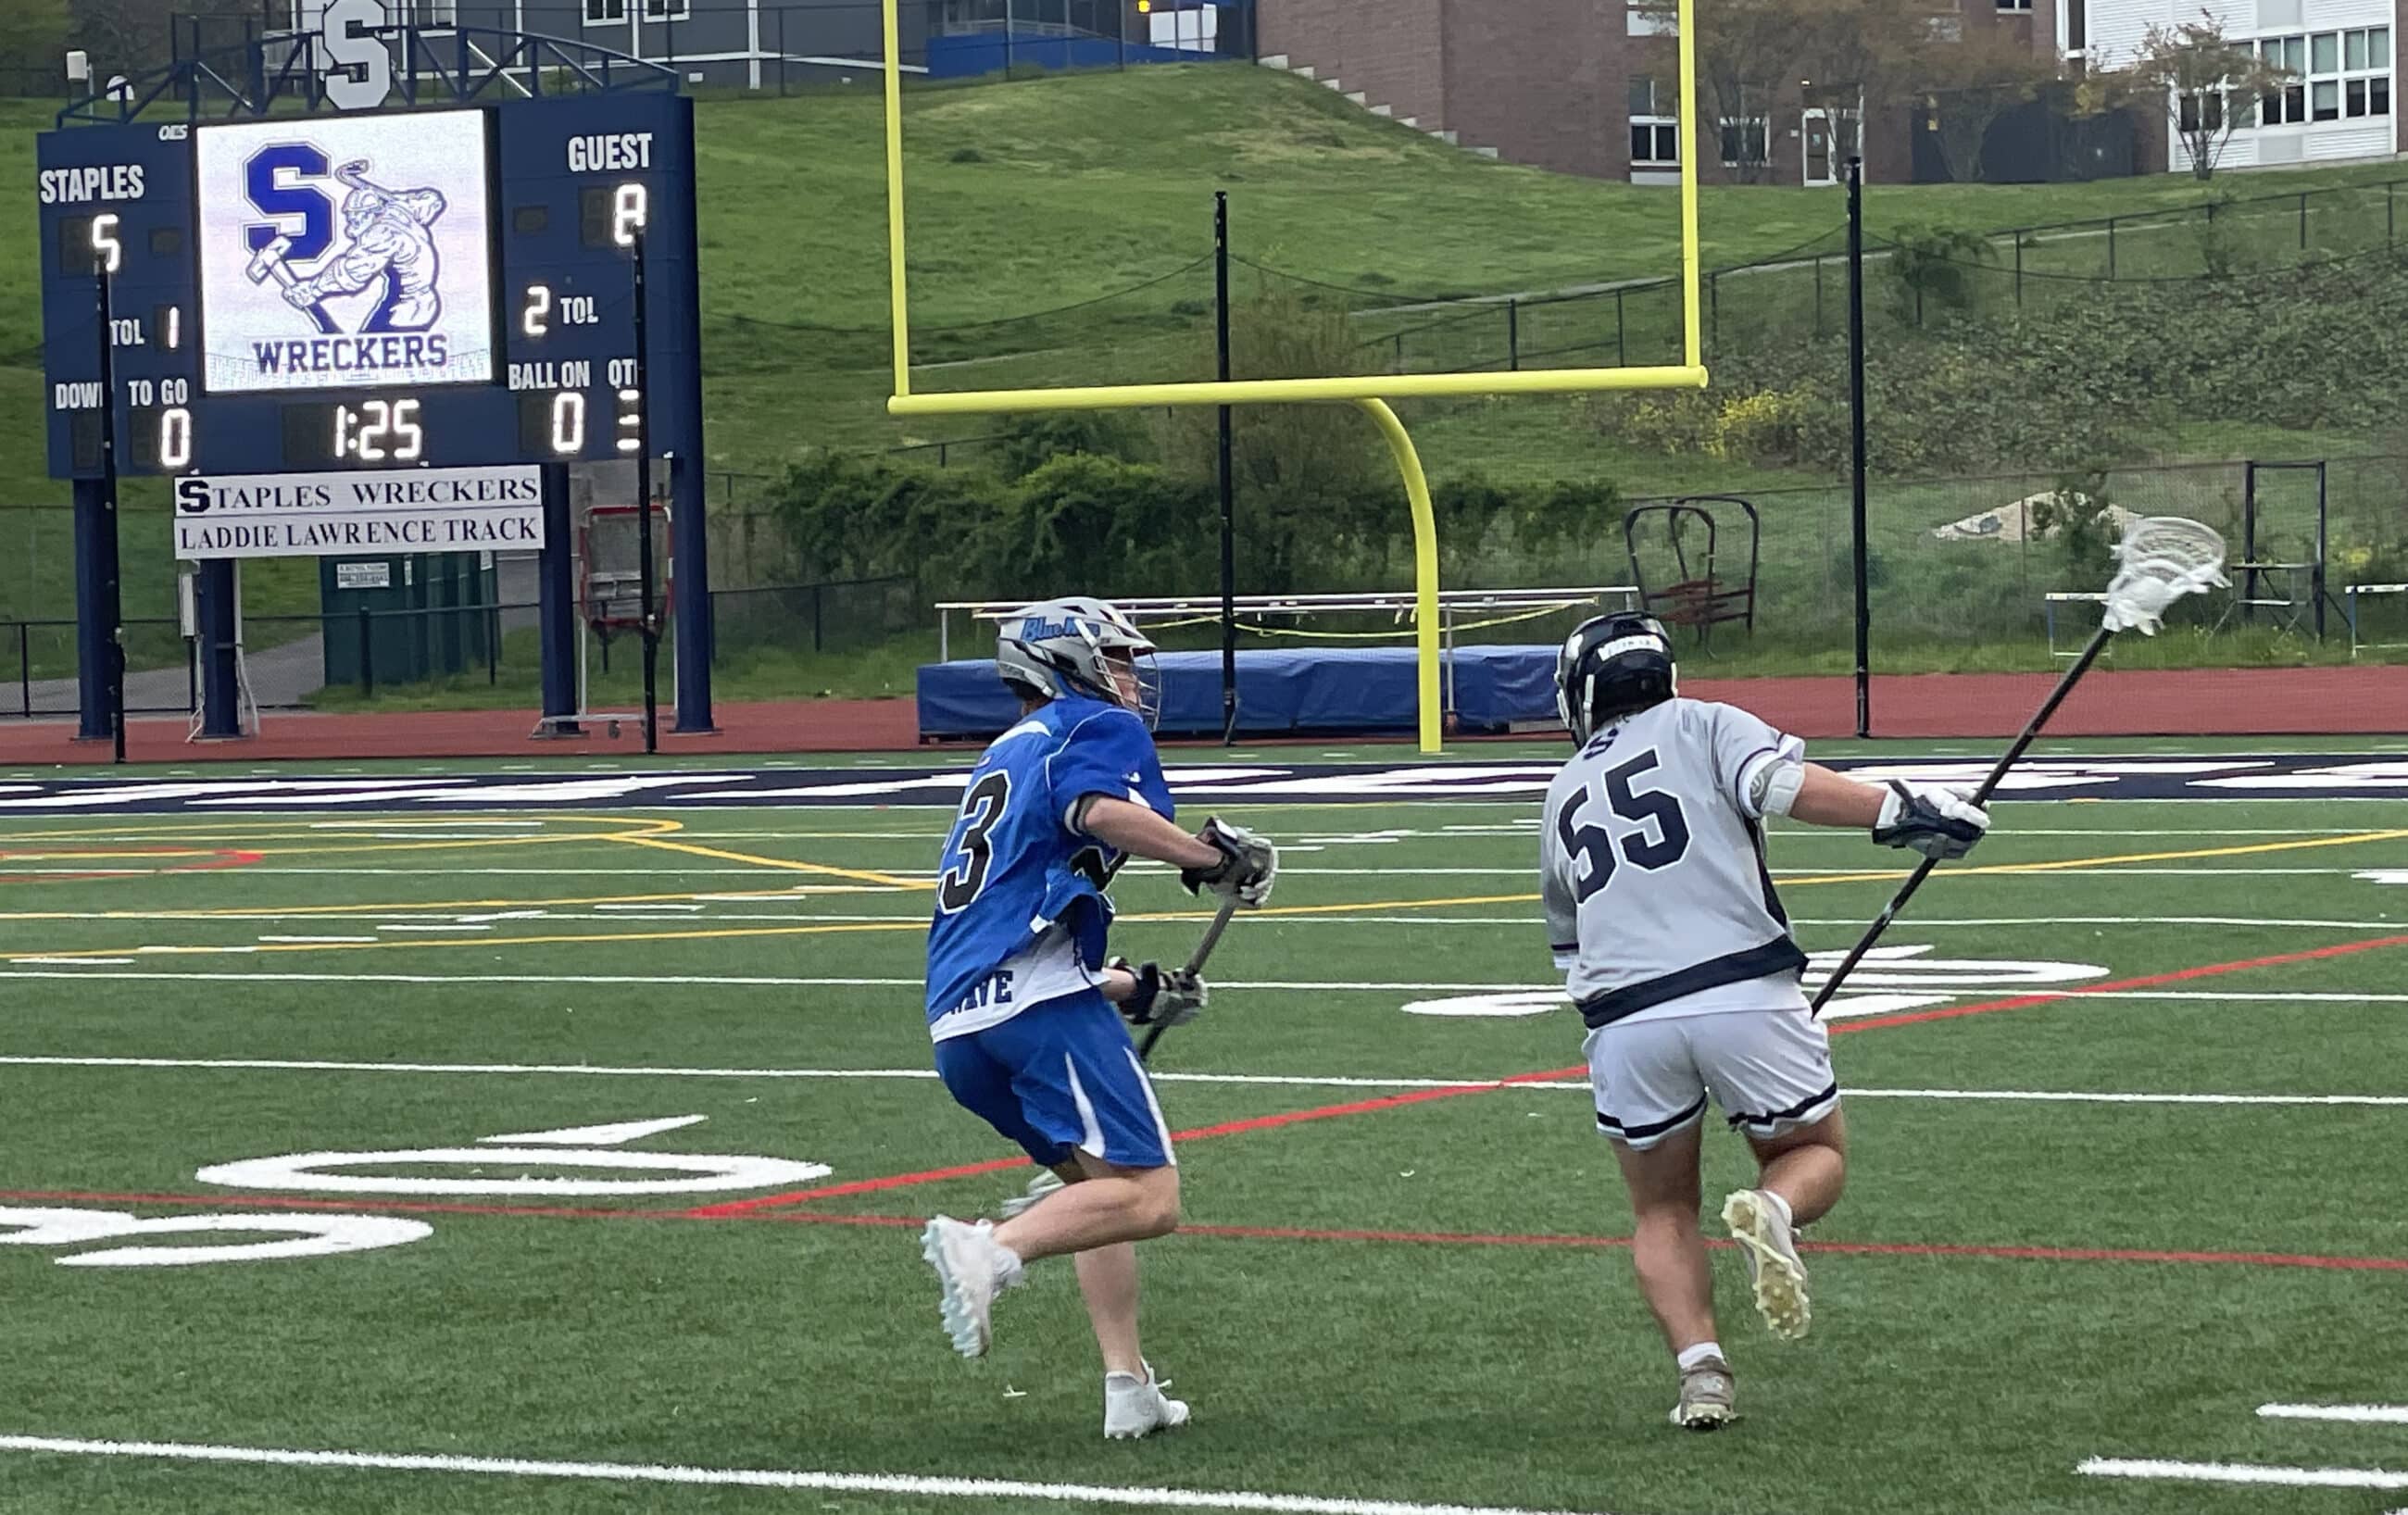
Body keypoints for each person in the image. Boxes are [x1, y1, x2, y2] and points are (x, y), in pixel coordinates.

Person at [1540, 612, 1989, 1431]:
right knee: (1811, 1153)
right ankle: (1773, 1211)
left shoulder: (1563, 789)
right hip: (1742, 985)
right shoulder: (1704, 722)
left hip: (1625, 1018)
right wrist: (1901, 812)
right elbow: (1781, 786)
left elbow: (1570, 947)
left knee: (1661, 1210)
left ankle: (1702, 1375)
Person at [919, 596, 1276, 1440]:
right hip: (1033, 1005)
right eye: (1115, 660)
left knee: (1096, 1191)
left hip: (962, 1022)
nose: (1130, 679)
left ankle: (1128, 1385)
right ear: (1066, 664)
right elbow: (1095, 811)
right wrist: (1210, 860)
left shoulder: (1008, 750)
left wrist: (1131, 987)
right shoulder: (1090, 726)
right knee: (1149, 1197)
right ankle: (990, 1251)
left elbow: (1018, 908)